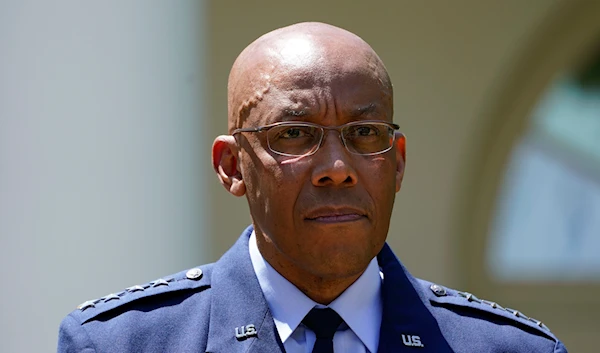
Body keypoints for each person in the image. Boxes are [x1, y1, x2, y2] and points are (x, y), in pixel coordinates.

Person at [57, 22, 568, 353]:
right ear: (232, 166)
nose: (338, 168)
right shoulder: (121, 344)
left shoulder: (507, 349)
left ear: (398, 165)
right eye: (295, 134)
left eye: (366, 134)